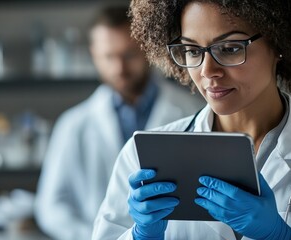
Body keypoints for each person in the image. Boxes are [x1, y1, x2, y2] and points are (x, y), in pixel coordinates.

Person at [92, 1, 291, 239]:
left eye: (230, 48)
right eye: (193, 50)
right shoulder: (142, 156)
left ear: (280, 42)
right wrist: (141, 236)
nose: (208, 70)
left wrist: (280, 237)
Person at [34, 6, 204, 240]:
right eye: (109, 56)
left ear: (147, 49)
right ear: (94, 54)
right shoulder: (73, 124)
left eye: (128, 55)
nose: (119, 68)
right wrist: (99, 235)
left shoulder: (193, 111)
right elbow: (51, 207)